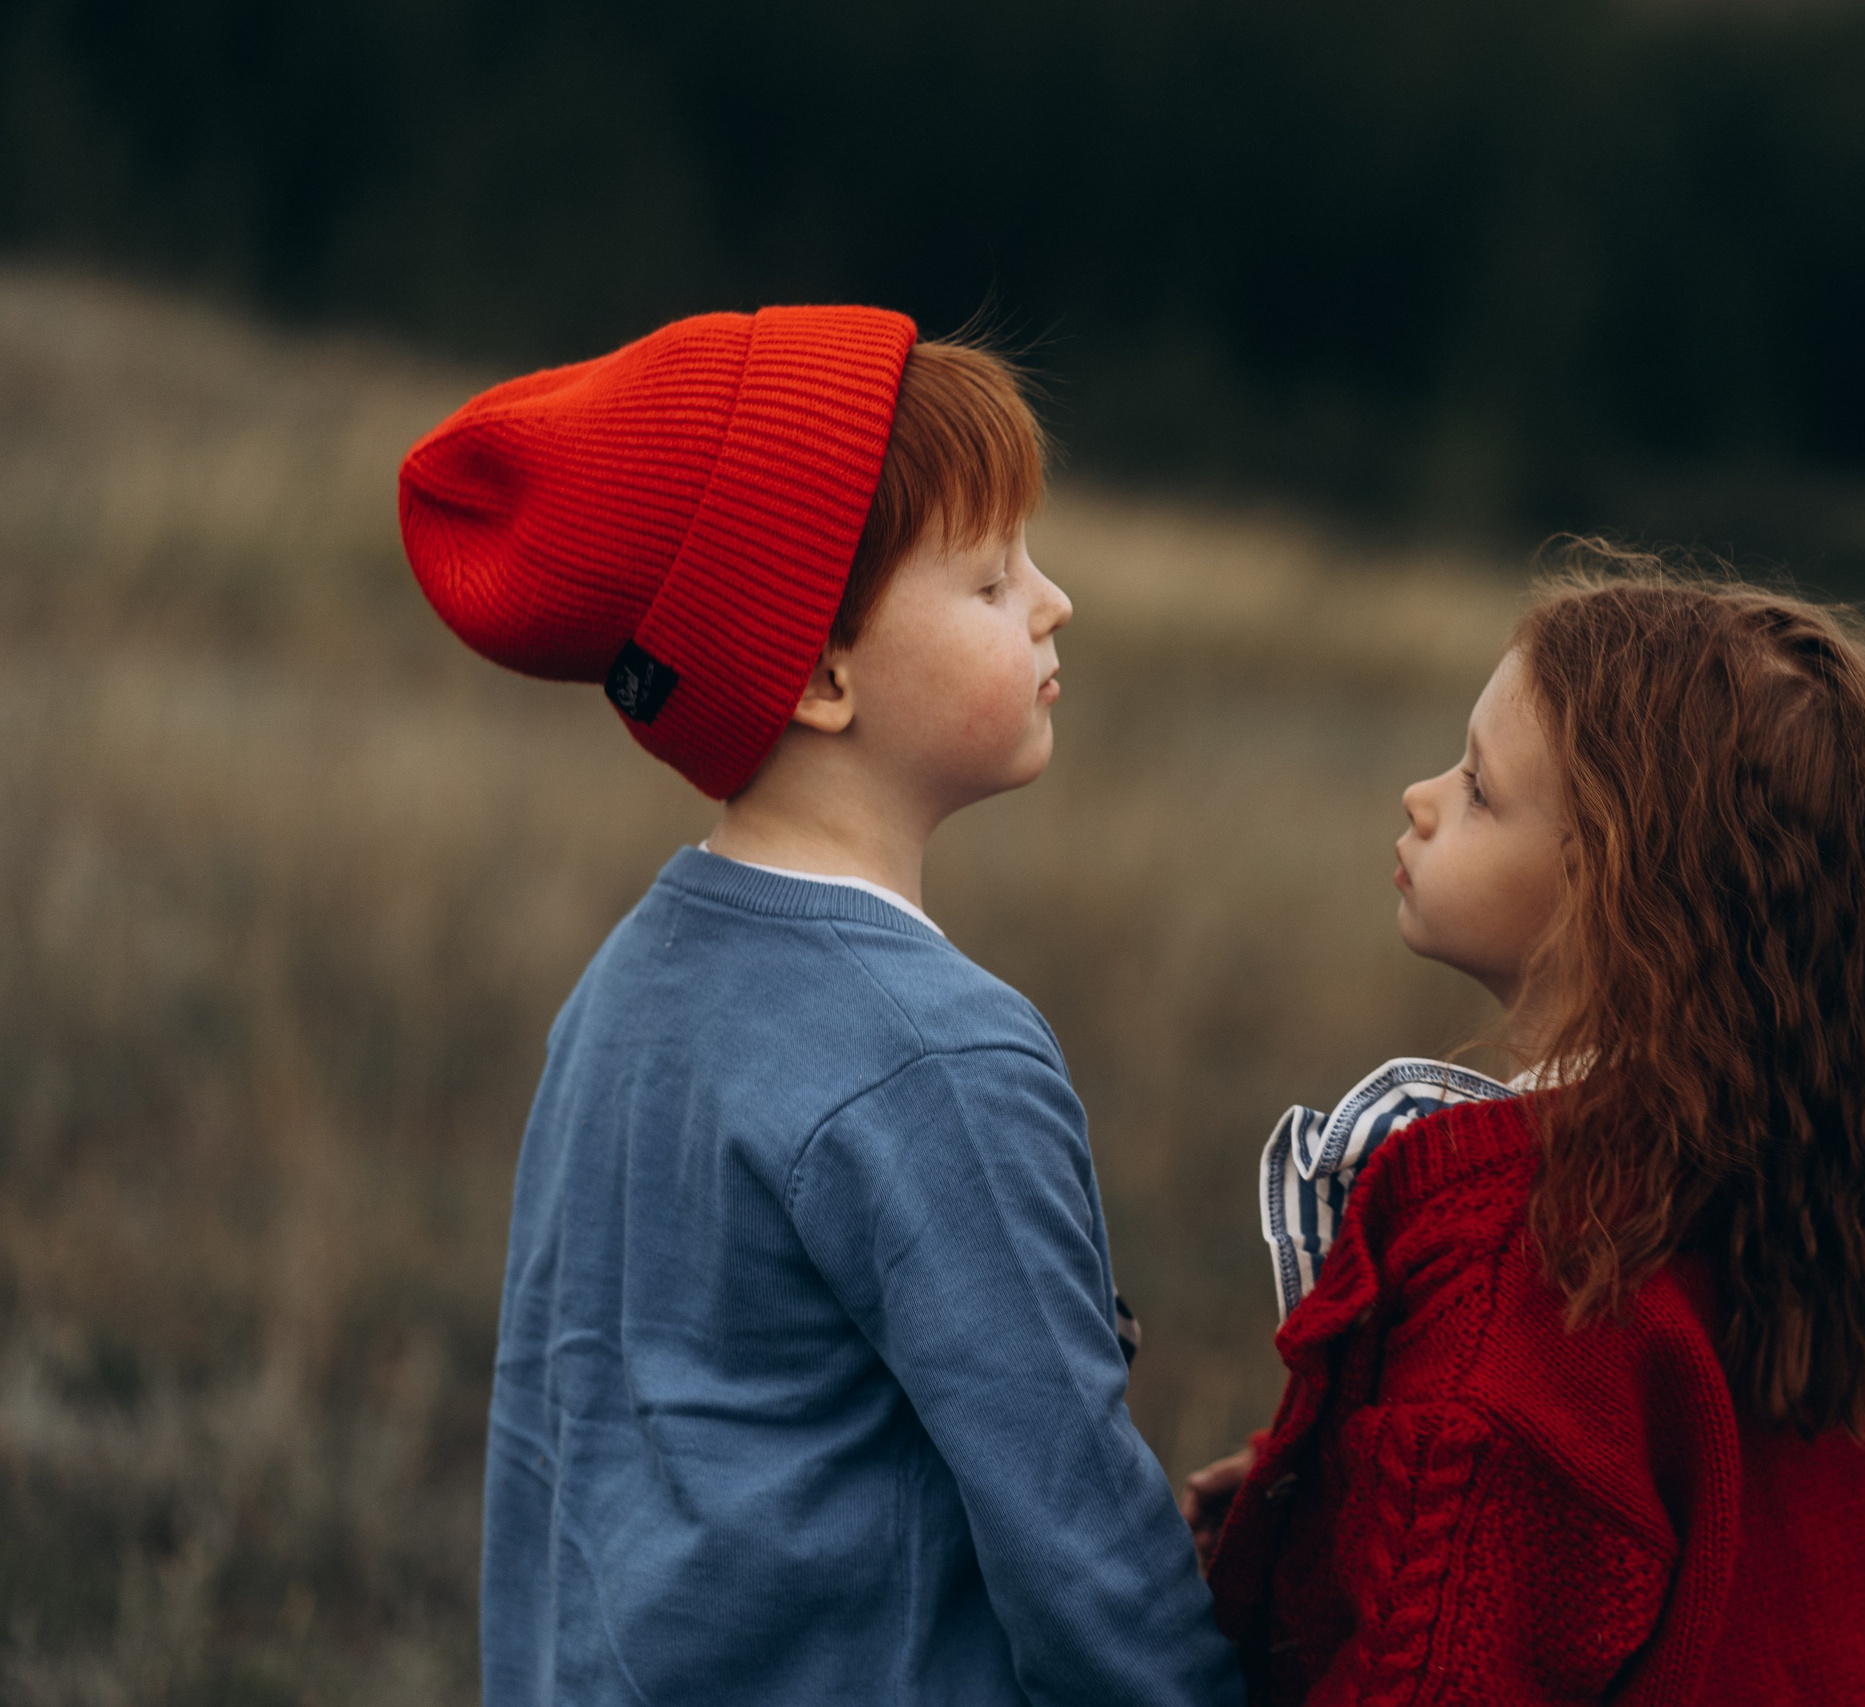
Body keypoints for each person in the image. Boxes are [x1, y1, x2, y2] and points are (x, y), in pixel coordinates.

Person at [398, 307, 1241, 1707]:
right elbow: (1082, 1550)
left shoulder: (625, 983)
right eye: (988, 578)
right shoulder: (939, 1054)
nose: (1052, 599)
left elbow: (566, 1447)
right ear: (817, 672)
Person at [1184, 562, 1865, 1705]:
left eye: (1479, 788)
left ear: (1623, 893)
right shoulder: (1773, 1188)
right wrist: (1328, 1501)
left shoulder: (1527, 1278)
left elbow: (1447, 1652)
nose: (1420, 796)